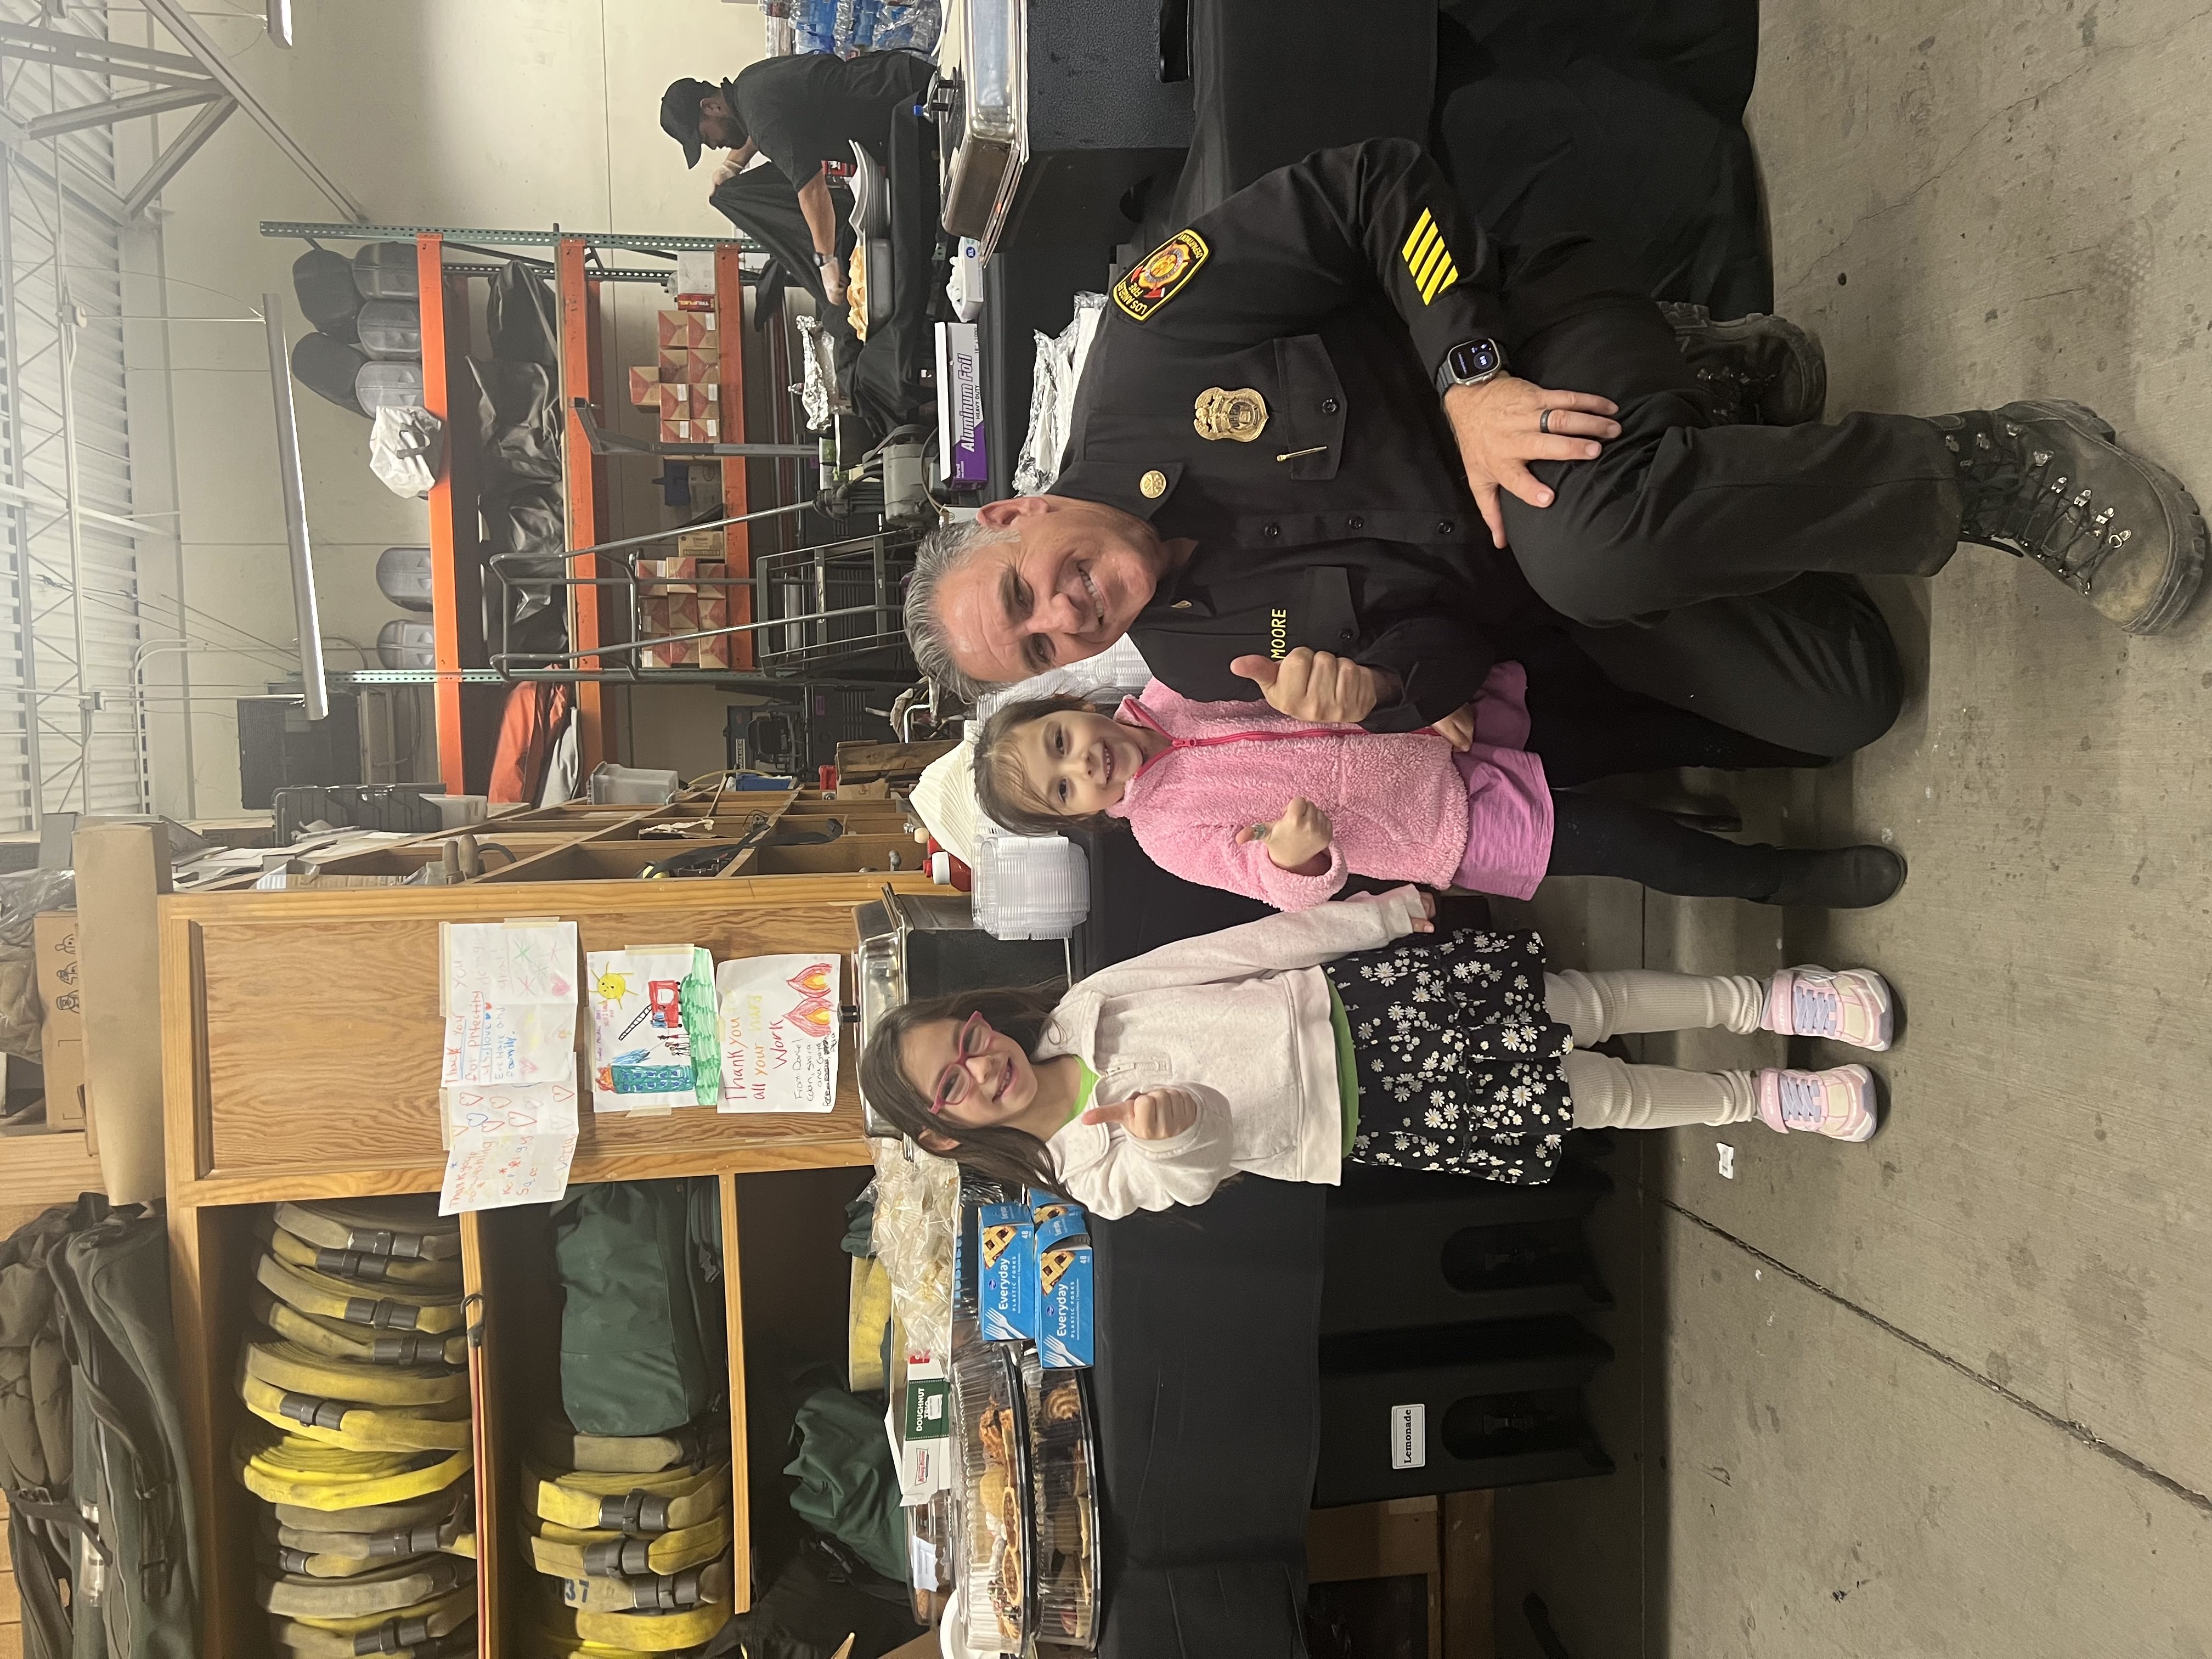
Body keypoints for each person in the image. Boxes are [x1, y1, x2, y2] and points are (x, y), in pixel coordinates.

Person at [904, 138, 2203, 767]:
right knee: (1843, 698)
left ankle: (1995, 467)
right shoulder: (1193, 658)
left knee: (1590, 544)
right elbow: (1457, 649)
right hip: (1569, 567)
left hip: (1541, 349)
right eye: (1039, 651)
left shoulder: (1153, 345)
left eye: (1025, 592)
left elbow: (1375, 183)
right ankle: (1722, 414)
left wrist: (1468, 373)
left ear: (1018, 512)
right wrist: (1383, 697)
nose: (1064, 616)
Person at [859, 889, 1897, 1220]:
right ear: (947, 1129)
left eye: (964, 1037)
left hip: (1364, 1001)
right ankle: (1756, 1097)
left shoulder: (1089, 1003)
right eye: (953, 1081)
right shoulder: (1090, 1176)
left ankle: (1766, 995)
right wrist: (1174, 1130)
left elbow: (1240, 949)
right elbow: (1192, 1169)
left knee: (1585, 1000)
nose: (980, 1059)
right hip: (1361, 1116)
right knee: (1594, 1098)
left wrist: (1373, 916)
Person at [968, 675, 1904, 910]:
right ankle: (1781, 878)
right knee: (1637, 845)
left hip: (1455, 724)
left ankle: (1791, 737)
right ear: (1079, 818)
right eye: (1061, 790)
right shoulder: (1166, 834)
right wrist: (1294, 858)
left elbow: (1309, 666)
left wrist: (1418, 697)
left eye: (1060, 740)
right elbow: (1273, 883)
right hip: (1442, 824)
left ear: (1072, 703)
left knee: (1639, 729)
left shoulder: (1175, 685)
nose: (1081, 765)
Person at [660, 53, 933, 307]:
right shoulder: (748, 87)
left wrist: (826, 261)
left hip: (905, 99)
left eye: (705, 137)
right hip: (895, 88)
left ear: (711, 107)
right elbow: (763, 128)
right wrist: (733, 164)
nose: (713, 145)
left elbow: (812, 190)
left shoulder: (761, 116)